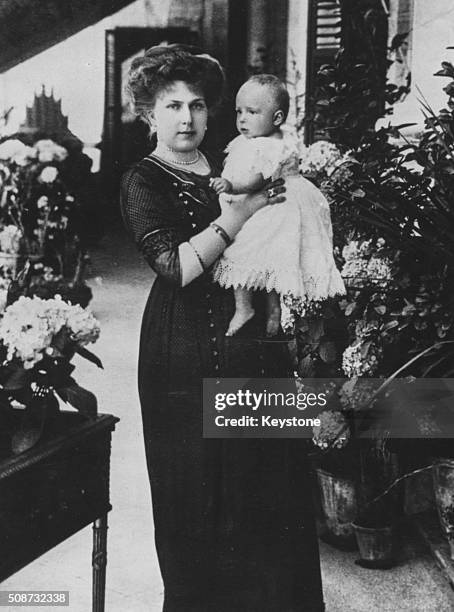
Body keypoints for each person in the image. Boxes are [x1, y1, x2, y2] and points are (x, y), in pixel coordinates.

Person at [121, 44, 325, 611]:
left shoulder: (238, 160)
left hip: (256, 343)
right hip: (183, 348)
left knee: (270, 491)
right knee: (198, 496)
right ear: (149, 114)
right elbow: (176, 266)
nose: (187, 118)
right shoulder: (142, 179)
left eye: (198, 106)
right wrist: (237, 215)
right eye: (172, 106)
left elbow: (287, 222)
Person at [210, 74, 345, 337]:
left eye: (252, 112)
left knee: (242, 249)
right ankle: (273, 312)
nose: (243, 119)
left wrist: (230, 185)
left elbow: (256, 179)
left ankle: (244, 307)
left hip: (276, 204)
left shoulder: (269, 146)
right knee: (271, 259)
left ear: (277, 118)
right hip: (280, 202)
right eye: (239, 112)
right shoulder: (267, 139)